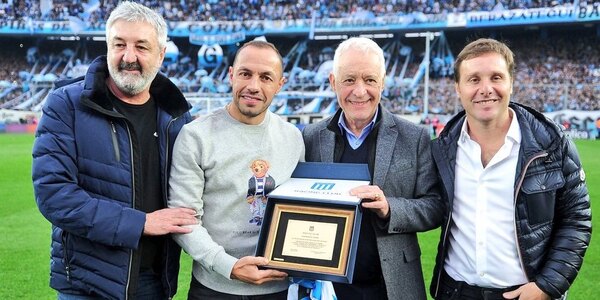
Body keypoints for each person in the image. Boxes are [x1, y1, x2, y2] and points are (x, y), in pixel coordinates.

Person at [32, 2, 197, 299]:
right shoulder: (66, 105)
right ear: (107, 47)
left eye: (141, 47)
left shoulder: (176, 115)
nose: (128, 57)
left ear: (161, 55)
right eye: (119, 44)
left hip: (154, 283)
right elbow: (54, 194)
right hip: (87, 283)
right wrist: (141, 223)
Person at [430, 38, 592, 300]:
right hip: (456, 292)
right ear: (457, 88)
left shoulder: (551, 143)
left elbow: (576, 219)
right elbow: (427, 206)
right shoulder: (442, 149)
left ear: (511, 83)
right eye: (474, 79)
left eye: (496, 77)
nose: (486, 89)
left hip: (525, 294)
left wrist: (547, 287)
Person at [302, 37, 444, 300]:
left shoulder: (415, 137)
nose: (359, 91)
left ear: (383, 81)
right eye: (349, 80)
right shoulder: (312, 136)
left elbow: (435, 206)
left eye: (369, 80)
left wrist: (390, 207)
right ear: (333, 82)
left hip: (392, 286)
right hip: (328, 286)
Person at [167, 40, 305, 299]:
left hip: (279, 288)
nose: (253, 86)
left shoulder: (293, 139)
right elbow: (184, 219)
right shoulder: (195, 136)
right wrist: (228, 266)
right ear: (231, 75)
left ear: (280, 84)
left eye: (266, 77)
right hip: (214, 287)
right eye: (245, 74)